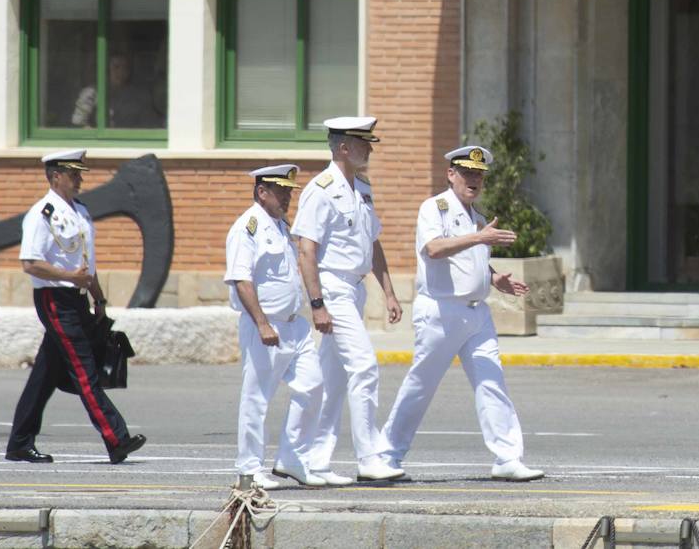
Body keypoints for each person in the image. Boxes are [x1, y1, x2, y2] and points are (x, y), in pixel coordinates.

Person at [378, 145, 544, 482]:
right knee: (421, 384)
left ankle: (507, 457)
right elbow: (435, 249)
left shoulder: (477, 218)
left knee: (491, 380)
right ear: (450, 174)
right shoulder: (435, 208)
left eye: (479, 175)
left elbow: (474, 260)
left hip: (476, 313)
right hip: (441, 309)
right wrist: (479, 237)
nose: (474, 180)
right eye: (467, 173)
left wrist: (496, 278)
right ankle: (386, 454)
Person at [5, 149, 146, 465]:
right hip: (54, 300)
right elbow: (30, 263)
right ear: (56, 177)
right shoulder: (42, 213)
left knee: (44, 376)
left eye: (80, 173)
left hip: (77, 299)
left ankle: (19, 443)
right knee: (84, 371)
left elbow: (86, 264)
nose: (80, 179)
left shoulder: (80, 212)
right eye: (73, 174)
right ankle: (116, 438)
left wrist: (98, 297)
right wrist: (71, 277)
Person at [291, 116, 405, 482]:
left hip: (354, 289)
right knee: (364, 366)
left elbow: (372, 243)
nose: (370, 149)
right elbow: (306, 250)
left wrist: (388, 291)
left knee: (332, 379)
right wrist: (317, 303)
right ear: (343, 147)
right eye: (363, 143)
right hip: (332, 289)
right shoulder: (320, 190)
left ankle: (313, 458)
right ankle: (368, 458)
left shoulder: (362, 188)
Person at [225, 164, 339, 489]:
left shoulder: (280, 225)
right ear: (262, 192)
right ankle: (249, 469)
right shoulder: (247, 227)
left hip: (294, 324)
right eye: (281, 191)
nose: (288, 196)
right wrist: (261, 322)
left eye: (289, 190)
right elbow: (241, 278)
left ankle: (292, 458)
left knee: (313, 385)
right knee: (257, 398)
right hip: (265, 324)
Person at [71, 52, 163, 129]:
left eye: (125, 67)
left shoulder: (138, 96)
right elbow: (78, 122)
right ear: (107, 70)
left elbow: (149, 124)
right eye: (116, 67)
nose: (121, 72)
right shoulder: (91, 93)